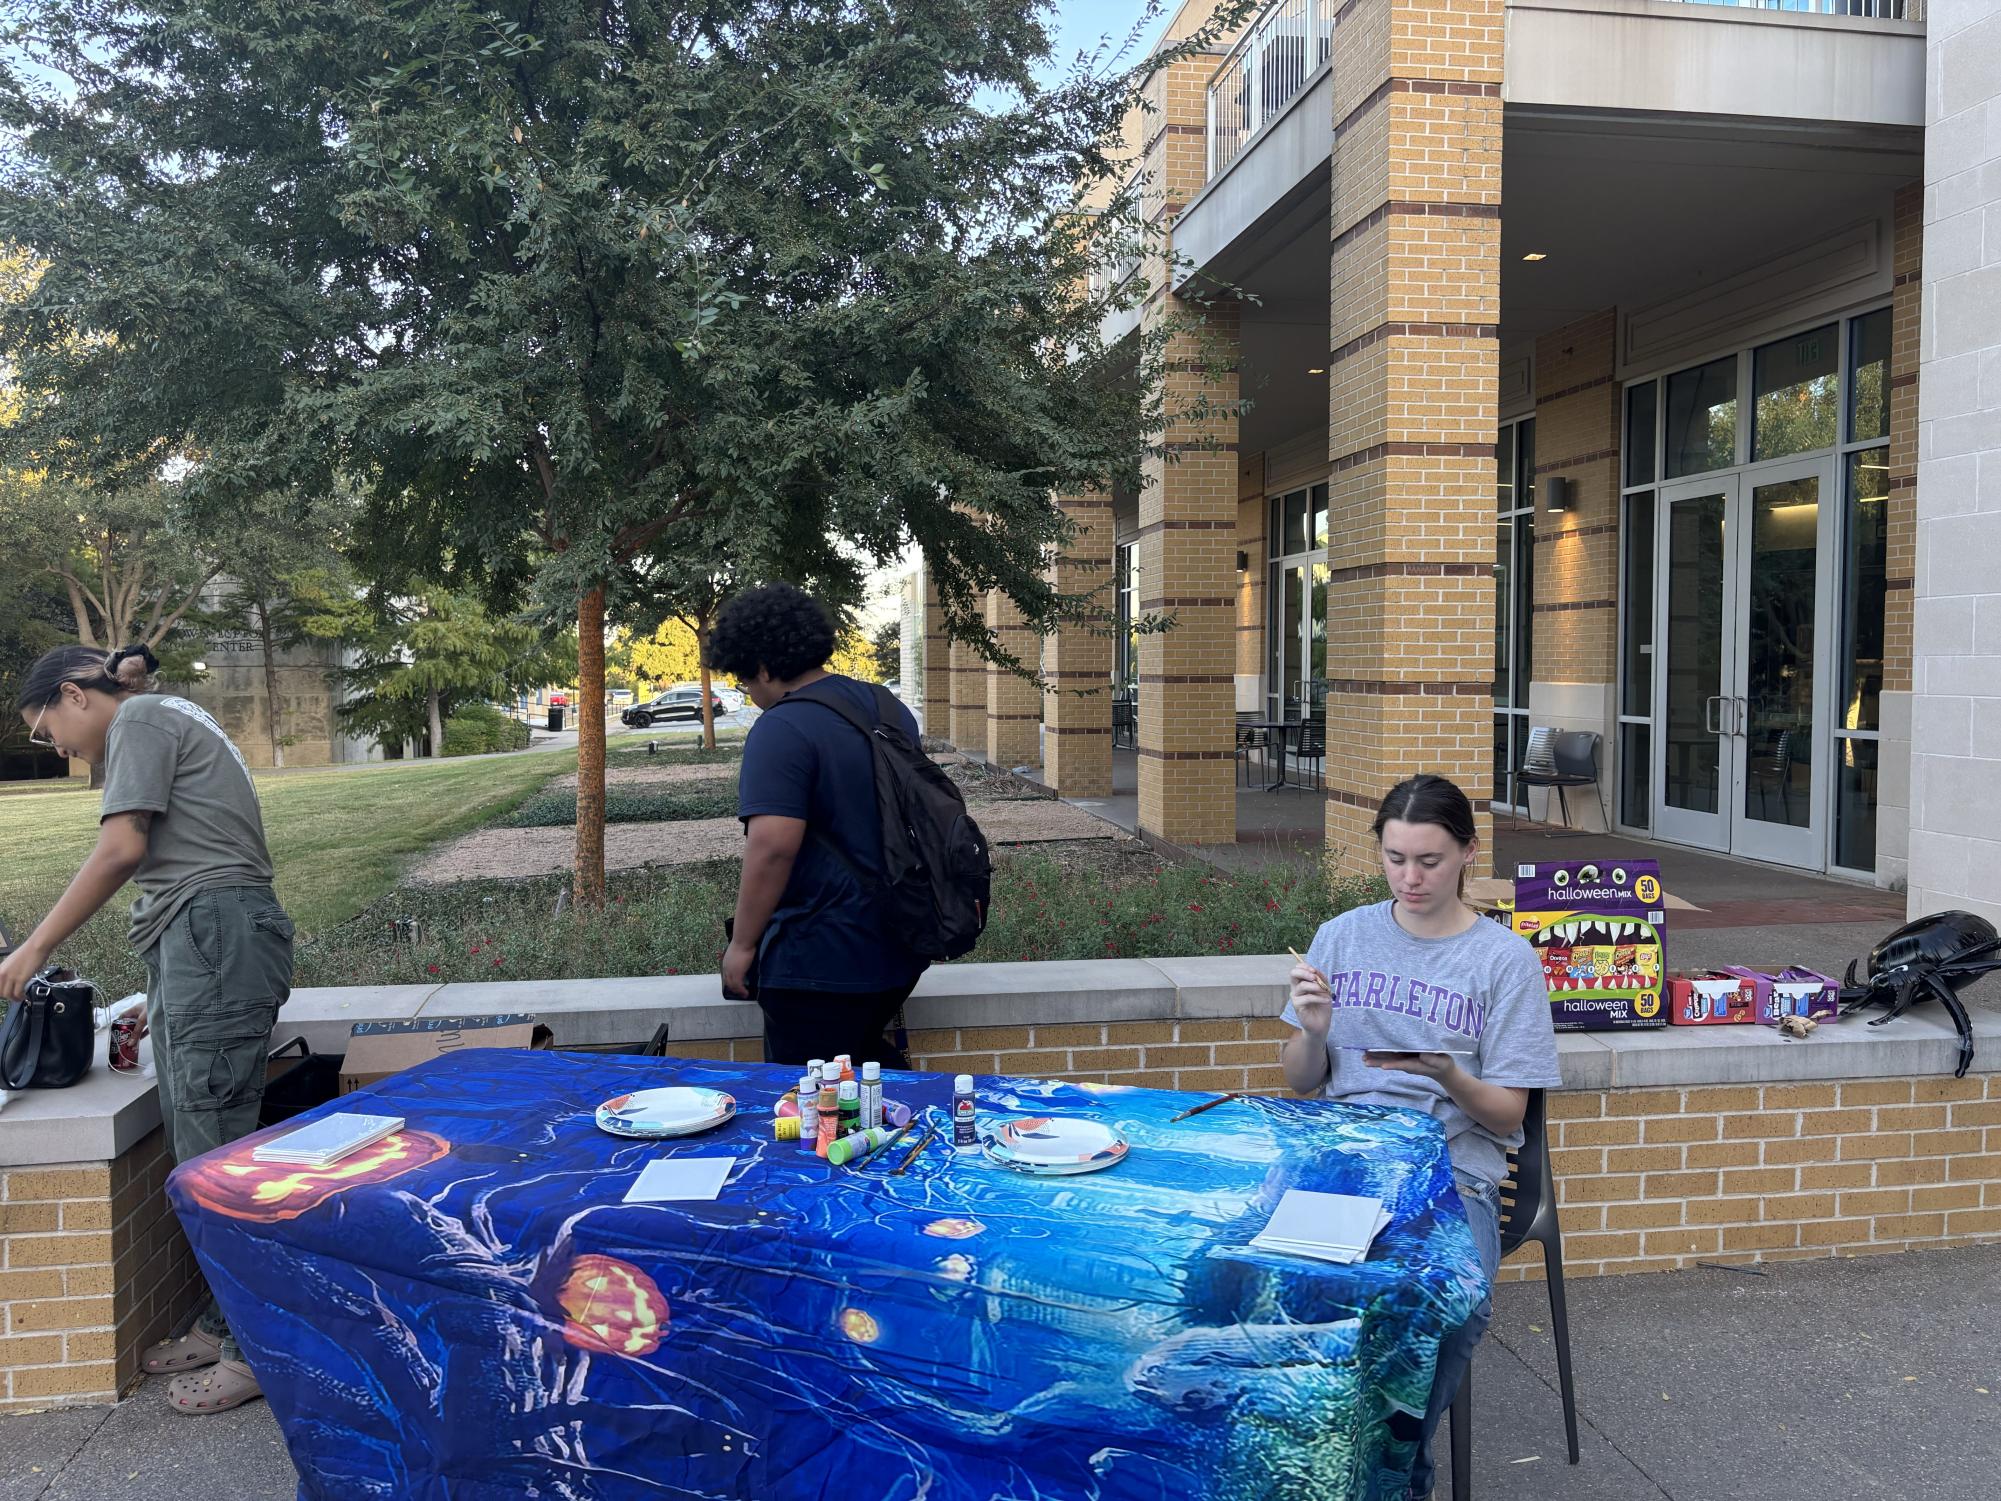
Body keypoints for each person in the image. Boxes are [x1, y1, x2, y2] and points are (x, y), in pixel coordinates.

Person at [0, 645, 294, 1416]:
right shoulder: (159, 713)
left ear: (74, 693)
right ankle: (225, 1320)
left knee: (217, 1154)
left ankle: (251, 1349)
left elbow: (123, 846)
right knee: (205, 1137)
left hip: (212, 933)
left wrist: (37, 945)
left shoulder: (137, 719)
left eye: (47, 729)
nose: (57, 746)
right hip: (205, 935)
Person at [1279, 773, 1560, 1501]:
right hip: (1342, 1154)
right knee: (1279, 1287)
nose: (1409, 876)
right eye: (1394, 857)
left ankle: (1393, 1473)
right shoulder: (1341, 936)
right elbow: (1301, 1080)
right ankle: (1314, 1464)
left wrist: (1447, 1076)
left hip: (1449, 1169)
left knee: (1444, 1302)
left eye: (1428, 860)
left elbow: (1504, 1117)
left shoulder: (1503, 961)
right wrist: (1312, 1032)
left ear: (1467, 852)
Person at [707, 584, 926, 1067]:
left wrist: (741, 947)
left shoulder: (782, 728)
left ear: (764, 666)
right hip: (901, 944)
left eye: (747, 680)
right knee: (868, 1091)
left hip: (817, 960)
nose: (750, 693)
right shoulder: (886, 707)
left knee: (808, 1112)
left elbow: (773, 846)